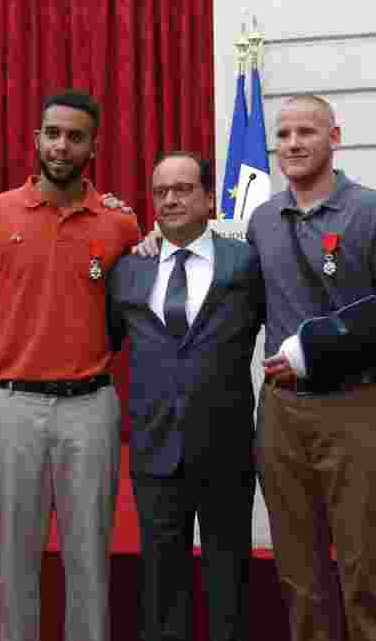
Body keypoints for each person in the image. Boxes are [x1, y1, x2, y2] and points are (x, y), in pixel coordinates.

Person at [0, 89, 141, 641]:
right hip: (11, 406)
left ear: (93, 147)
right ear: (36, 139)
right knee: (13, 561)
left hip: (90, 406)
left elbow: (130, 314)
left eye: (75, 137)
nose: (62, 145)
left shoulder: (120, 225)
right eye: (53, 134)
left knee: (90, 559)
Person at [251, 95, 376, 641]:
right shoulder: (262, 220)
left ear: (335, 137)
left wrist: (320, 351)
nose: (293, 143)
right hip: (281, 412)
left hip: (355, 406)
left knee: (363, 565)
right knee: (298, 570)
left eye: (307, 132)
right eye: (284, 134)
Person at [107, 151, 264, 641]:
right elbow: (107, 338)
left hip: (225, 447)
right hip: (155, 448)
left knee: (228, 580)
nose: (170, 199)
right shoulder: (128, 270)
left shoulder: (246, 263)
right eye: (161, 192)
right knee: (161, 584)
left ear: (209, 198)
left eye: (183, 189)